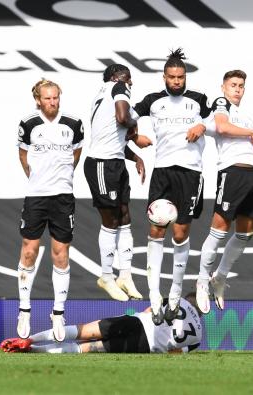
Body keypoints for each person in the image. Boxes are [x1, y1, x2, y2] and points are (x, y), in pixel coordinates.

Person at [195, 70, 253, 314]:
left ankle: (220, 277)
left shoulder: (245, 116)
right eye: (233, 84)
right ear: (223, 87)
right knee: (219, 229)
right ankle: (203, 281)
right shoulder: (221, 104)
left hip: (252, 174)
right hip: (232, 172)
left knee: (246, 233)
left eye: (241, 86)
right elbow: (223, 128)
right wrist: (251, 133)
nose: (237, 89)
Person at [132, 48, 210, 325]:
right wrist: (134, 136)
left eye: (180, 77)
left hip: (190, 173)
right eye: (172, 77)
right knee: (156, 230)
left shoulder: (200, 100)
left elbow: (218, 121)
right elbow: (126, 117)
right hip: (162, 171)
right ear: (164, 77)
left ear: (185, 76)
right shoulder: (153, 101)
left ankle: (175, 297)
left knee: (180, 233)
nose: (177, 81)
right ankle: (154, 298)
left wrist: (203, 126)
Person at [16, 79, 84, 342]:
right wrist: (38, 179)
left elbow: (76, 155)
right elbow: (23, 157)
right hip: (36, 196)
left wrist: (61, 177)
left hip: (63, 197)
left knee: (60, 252)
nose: (53, 102)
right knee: (29, 249)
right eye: (48, 98)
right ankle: (24, 310)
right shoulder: (28, 124)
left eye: (56, 98)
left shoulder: (73, 124)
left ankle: (58, 312)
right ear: (38, 100)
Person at [84, 64, 152, 302]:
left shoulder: (105, 94)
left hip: (115, 162)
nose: (130, 83)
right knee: (111, 221)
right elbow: (123, 118)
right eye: (127, 78)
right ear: (115, 78)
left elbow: (113, 137)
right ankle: (106, 276)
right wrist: (136, 130)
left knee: (124, 217)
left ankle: (125, 275)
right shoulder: (117, 87)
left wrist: (135, 157)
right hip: (102, 165)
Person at [0, 294, 202, 354]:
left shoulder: (178, 301)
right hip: (146, 345)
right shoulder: (197, 339)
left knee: (85, 330)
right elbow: (175, 353)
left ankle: (29, 339)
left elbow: (151, 311)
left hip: (136, 322)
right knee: (90, 348)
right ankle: (34, 351)